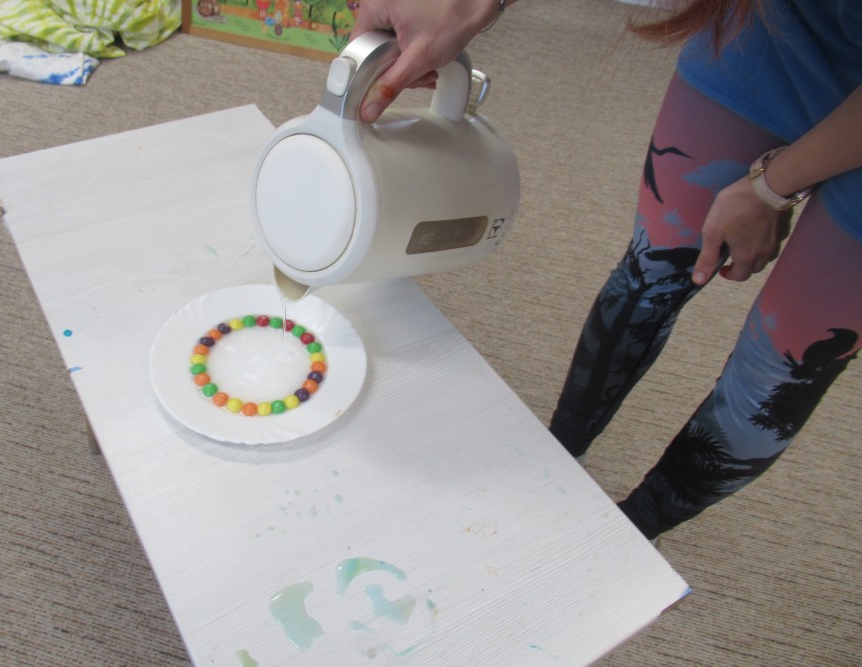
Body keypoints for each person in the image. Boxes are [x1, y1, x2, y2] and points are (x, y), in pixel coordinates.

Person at [350, 1, 862, 540]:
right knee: (651, 268)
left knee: (782, 369)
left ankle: (633, 531)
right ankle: (556, 456)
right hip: (789, 20)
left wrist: (770, 188)